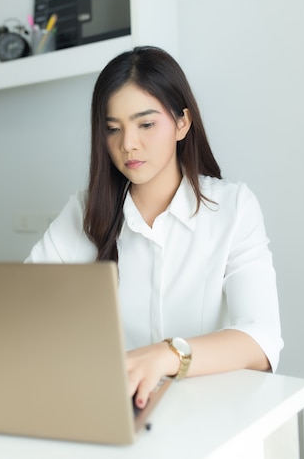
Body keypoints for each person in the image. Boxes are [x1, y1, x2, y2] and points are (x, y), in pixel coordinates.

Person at [25, 45, 283, 410]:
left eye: (146, 124)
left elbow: (261, 340)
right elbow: (22, 311)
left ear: (182, 123)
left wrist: (166, 355)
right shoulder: (82, 211)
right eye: (113, 129)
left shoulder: (233, 207)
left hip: (212, 416)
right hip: (111, 410)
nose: (128, 144)